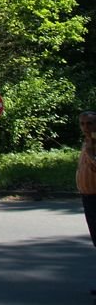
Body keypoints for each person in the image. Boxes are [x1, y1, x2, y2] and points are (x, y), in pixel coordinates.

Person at [78, 111, 96, 278]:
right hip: (88, 196)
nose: (85, 127)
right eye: (83, 123)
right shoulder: (87, 142)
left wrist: (91, 152)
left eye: (89, 123)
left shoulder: (93, 144)